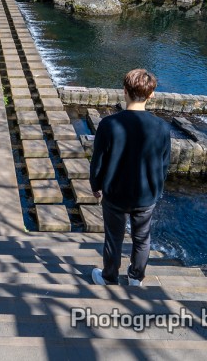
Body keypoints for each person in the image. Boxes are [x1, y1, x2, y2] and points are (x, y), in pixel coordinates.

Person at [89, 68, 171, 288]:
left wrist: (96, 186)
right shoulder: (162, 127)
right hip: (146, 195)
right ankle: (136, 277)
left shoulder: (109, 124)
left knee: (113, 238)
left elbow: (98, 162)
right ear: (151, 94)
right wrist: (158, 190)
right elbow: (164, 165)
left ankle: (109, 277)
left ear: (124, 91)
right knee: (142, 238)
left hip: (115, 193)